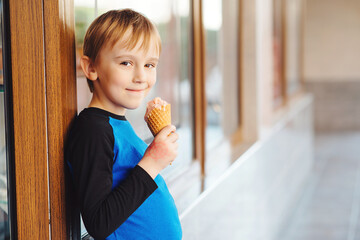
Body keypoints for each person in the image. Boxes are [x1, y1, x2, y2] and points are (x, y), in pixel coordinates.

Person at [65, 9, 182, 240]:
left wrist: (158, 148)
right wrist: (152, 161)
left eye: (149, 65)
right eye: (126, 62)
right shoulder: (93, 131)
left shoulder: (115, 123)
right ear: (91, 68)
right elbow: (99, 222)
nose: (141, 76)